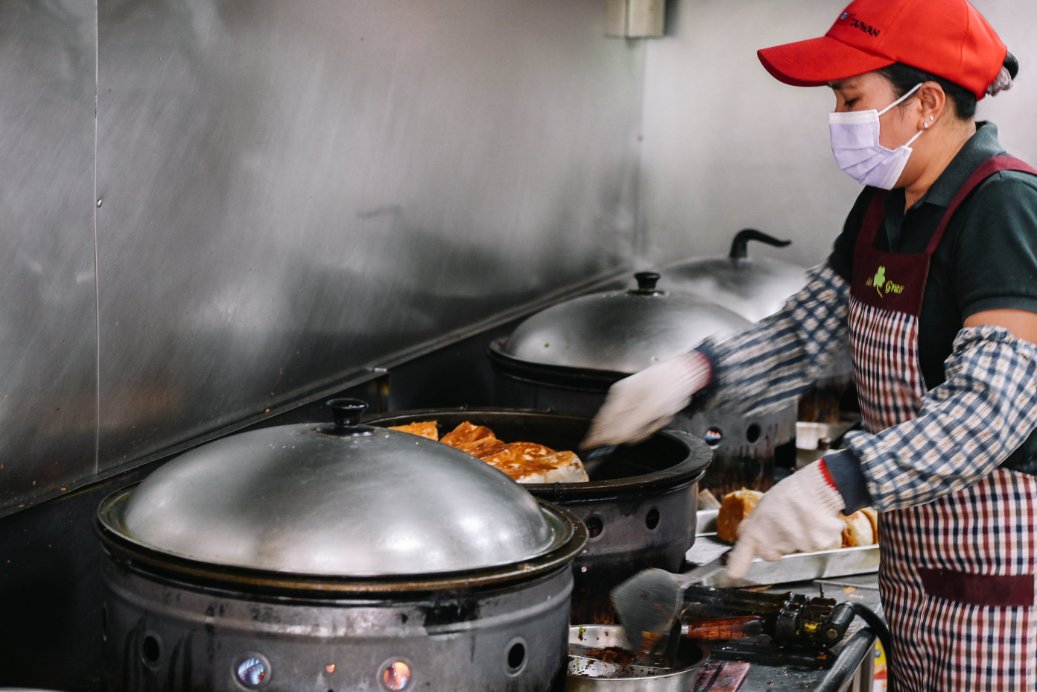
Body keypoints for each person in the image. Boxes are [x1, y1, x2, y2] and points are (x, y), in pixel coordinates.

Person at [583, 0, 1037, 688]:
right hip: (916, 571)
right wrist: (692, 374)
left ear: (926, 103)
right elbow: (806, 333)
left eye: (850, 96)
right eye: (834, 97)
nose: (836, 116)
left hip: (1005, 587)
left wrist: (835, 483)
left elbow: (990, 411)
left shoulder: (1003, 209)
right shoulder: (885, 202)